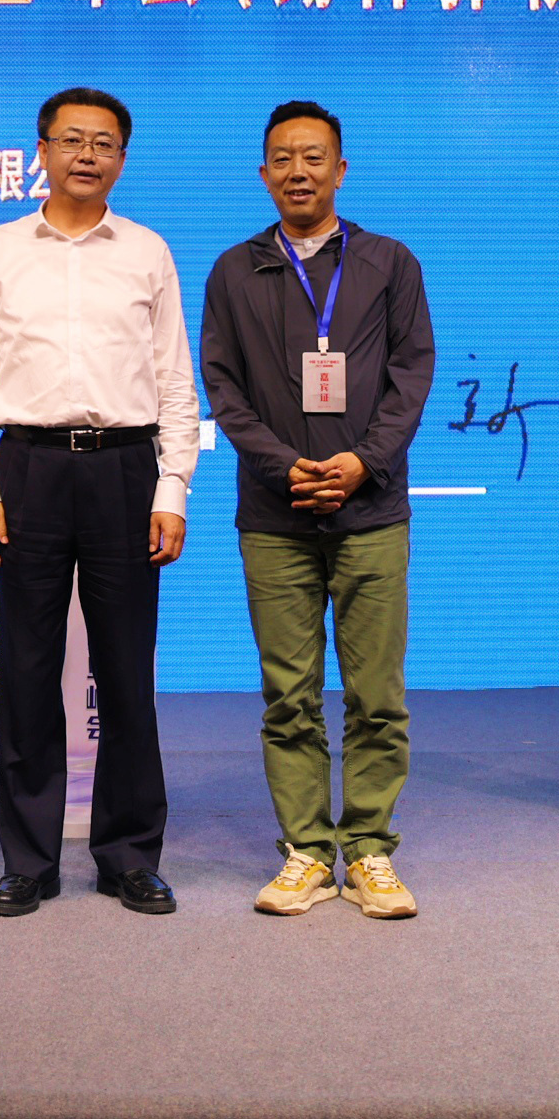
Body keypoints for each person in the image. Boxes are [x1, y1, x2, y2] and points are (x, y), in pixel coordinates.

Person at [0, 87, 199, 917]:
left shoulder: (147, 252)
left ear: (122, 159)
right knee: (25, 671)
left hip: (125, 471)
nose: (87, 154)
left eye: (103, 143)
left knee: (126, 669)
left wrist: (172, 488)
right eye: (71, 140)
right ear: (43, 151)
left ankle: (128, 855)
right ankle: (28, 858)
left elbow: (174, 380)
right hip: (27, 469)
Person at [201, 102, 435, 919]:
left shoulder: (388, 262)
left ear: (341, 169)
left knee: (377, 697)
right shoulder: (234, 271)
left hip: (372, 512)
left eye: (313, 157)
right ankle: (306, 850)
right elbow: (222, 387)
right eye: (282, 158)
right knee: (288, 696)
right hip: (276, 518)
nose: (297, 171)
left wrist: (363, 462)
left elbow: (413, 374)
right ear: (263, 173)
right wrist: (282, 465)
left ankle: (368, 850)